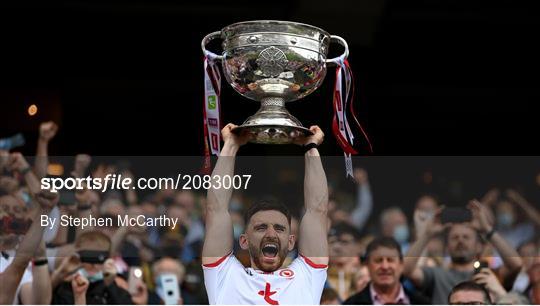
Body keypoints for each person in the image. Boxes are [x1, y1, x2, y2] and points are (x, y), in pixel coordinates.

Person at [202, 123, 329, 305]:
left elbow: (317, 211)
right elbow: (216, 209)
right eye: (261, 228)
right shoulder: (224, 275)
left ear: (291, 241)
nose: (271, 234)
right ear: (244, 240)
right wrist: (230, 145)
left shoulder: (307, 276)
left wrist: (310, 146)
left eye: (279, 228)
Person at [404, 200, 523, 304]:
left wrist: (487, 230)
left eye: (466, 237)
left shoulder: (489, 275)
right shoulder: (436, 275)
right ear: (447, 248)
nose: (460, 241)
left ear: (478, 247)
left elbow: (516, 264)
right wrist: (427, 234)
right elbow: (406, 269)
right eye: (455, 237)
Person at [51, 231, 133, 304]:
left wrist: (110, 285)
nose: (93, 264)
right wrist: (60, 274)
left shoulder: (116, 285)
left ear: (108, 258)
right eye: (88, 256)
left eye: (99, 257)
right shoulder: (65, 286)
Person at [343, 237, 430, 305]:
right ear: (367, 265)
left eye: (390, 260)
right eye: (378, 260)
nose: (385, 266)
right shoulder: (351, 304)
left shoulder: (422, 303)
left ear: (401, 264)